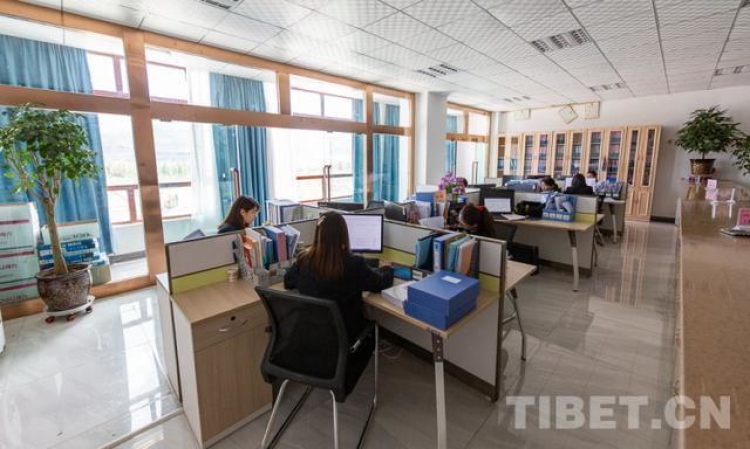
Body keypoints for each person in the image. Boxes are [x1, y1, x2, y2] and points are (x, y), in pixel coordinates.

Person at [284, 212, 393, 341]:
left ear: (318, 234)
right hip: (346, 336)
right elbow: (379, 284)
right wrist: (387, 268)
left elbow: (288, 281)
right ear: (343, 234)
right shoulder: (354, 264)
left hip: (312, 335)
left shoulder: (303, 259)